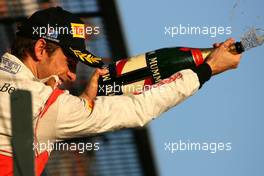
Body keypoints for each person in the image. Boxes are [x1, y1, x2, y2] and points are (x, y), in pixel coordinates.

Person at [0, 7, 241, 176]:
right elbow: (138, 109)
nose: (73, 76)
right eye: (70, 62)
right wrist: (208, 69)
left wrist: (82, 103)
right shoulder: (44, 107)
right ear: (41, 48)